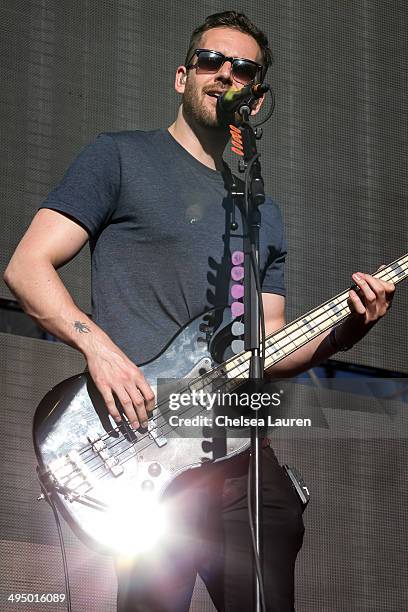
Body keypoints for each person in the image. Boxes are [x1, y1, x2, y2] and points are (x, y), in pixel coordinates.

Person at [4, 10, 395, 612]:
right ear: (182, 76)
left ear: (257, 96)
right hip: (147, 456)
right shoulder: (118, 158)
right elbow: (27, 268)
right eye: (212, 61)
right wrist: (100, 352)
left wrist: (347, 330)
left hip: (243, 461)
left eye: (243, 69)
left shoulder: (264, 213)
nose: (225, 75)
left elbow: (266, 348)